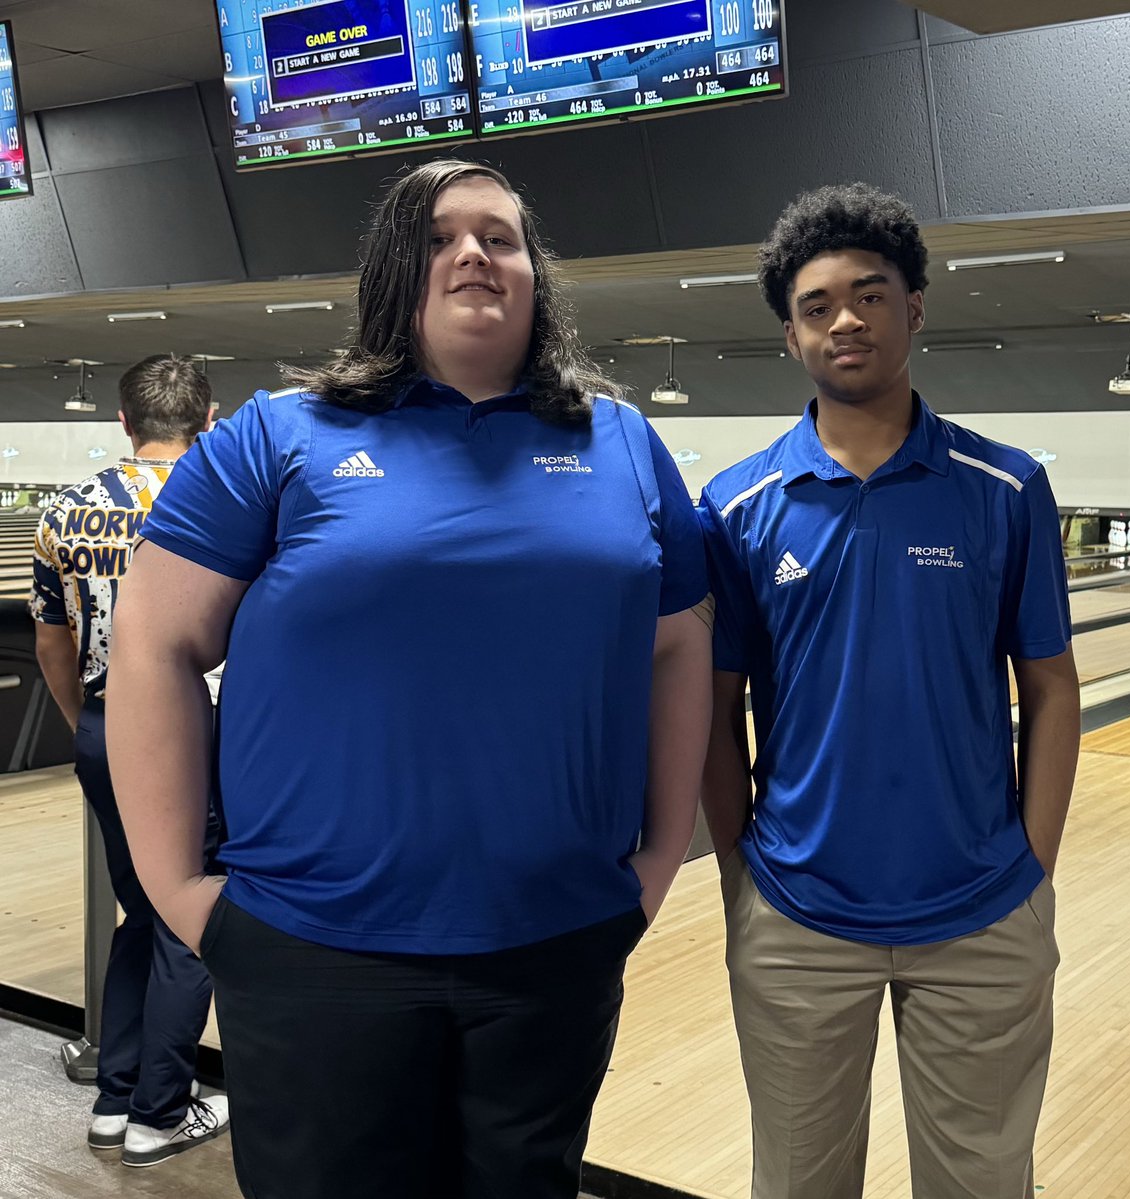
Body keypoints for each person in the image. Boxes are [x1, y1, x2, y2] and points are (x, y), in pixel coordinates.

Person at [104, 159, 712, 1199]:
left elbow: (678, 647)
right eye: (439, 236)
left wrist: (652, 867)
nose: (474, 252)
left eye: (501, 236)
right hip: (316, 951)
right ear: (394, 269)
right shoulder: (277, 436)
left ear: (535, 274)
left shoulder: (621, 442)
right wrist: (179, 893)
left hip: (555, 943)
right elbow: (152, 644)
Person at [698, 183, 1080, 1198]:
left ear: (917, 306)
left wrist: (1032, 865)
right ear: (790, 334)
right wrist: (744, 870)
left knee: (985, 1184)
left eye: (870, 294)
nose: (846, 319)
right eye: (817, 305)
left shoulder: (1004, 488)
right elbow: (711, 712)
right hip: (796, 909)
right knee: (797, 1182)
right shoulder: (735, 506)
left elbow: (1050, 684)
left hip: (983, 908)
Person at [28, 353, 230, 1166]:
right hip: (193, 726)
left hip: (105, 728)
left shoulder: (65, 509)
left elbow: (51, 640)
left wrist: (88, 721)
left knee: (141, 913)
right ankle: (160, 1112)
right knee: (192, 921)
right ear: (208, 422)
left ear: (122, 421)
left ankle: (114, 1101)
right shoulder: (221, 501)